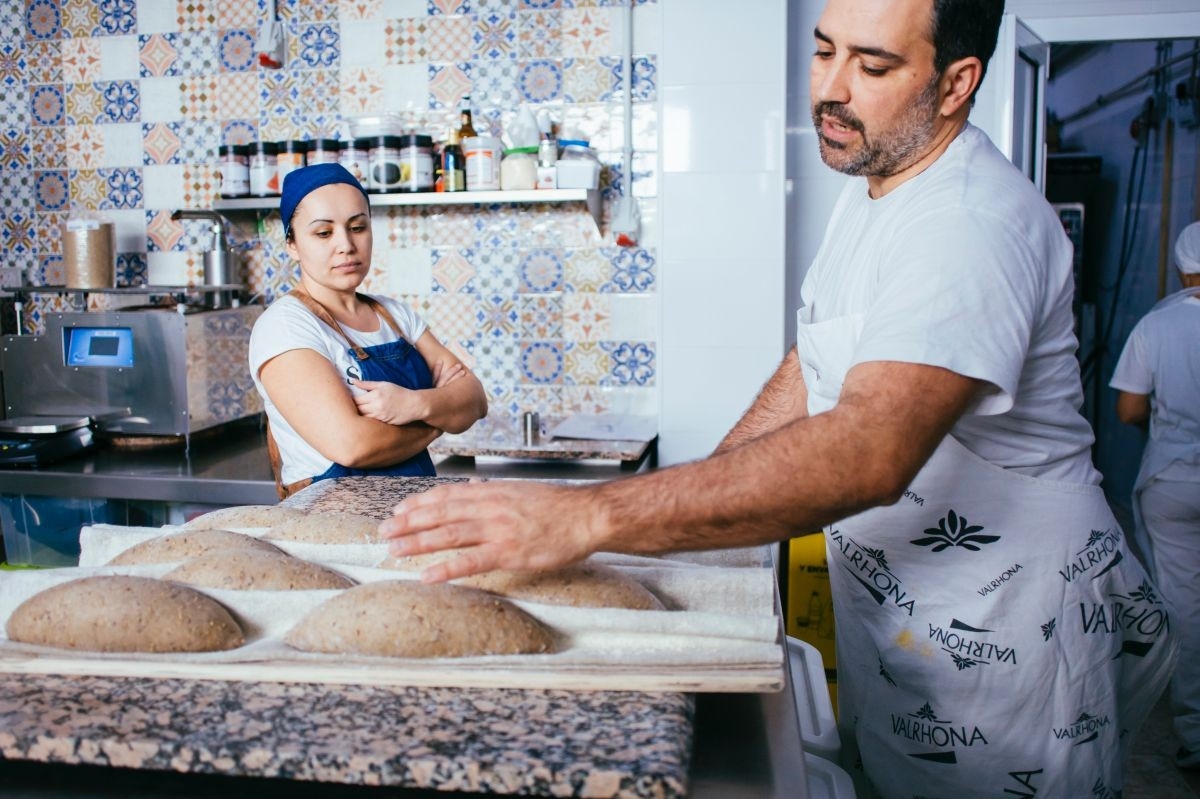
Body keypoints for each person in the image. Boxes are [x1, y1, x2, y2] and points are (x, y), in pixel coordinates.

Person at [379, 0, 1176, 794]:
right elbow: (816, 359)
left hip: (1010, 641)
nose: (830, 88)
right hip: (908, 621)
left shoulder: (969, 223)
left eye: (871, 66)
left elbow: (871, 448)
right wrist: (703, 523)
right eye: (823, 51)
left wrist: (588, 516)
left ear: (957, 82)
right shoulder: (878, 185)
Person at [248, 162, 487, 498]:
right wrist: (440, 419)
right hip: (332, 524)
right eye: (323, 233)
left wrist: (414, 405)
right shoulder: (286, 325)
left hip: (413, 513)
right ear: (292, 243)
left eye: (357, 227)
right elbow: (352, 446)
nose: (345, 245)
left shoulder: (394, 315)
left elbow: (475, 399)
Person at [1110, 221, 1200, 771]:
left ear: (1183, 266)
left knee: (1185, 603)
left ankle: (1195, 731)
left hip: (1173, 479)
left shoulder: (1157, 325)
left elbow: (1129, 410)